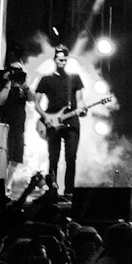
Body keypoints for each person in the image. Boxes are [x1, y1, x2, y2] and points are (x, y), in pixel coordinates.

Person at [35, 46, 86, 195]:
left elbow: (80, 100)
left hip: (71, 121)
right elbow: (36, 103)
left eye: (65, 60)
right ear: (54, 59)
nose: (62, 62)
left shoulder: (74, 78)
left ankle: (69, 191)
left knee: (71, 157)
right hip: (52, 122)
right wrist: (45, 116)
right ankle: (52, 190)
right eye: (60, 59)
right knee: (53, 158)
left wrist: (82, 109)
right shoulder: (46, 79)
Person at [0, 62, 33, 167]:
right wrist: (7, 83)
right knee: (3, 153)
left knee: (16, 156)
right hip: (5, 124)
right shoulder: (3, 84)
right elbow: (0, 100)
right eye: (14, 71)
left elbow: (32, 99)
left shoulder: (22, 88)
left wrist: (25, 85)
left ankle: (10, 177)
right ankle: (2, 175)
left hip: (19, 126)